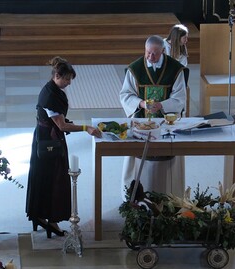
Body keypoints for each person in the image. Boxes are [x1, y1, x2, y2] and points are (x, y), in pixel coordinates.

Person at [26, 56, 101, 239]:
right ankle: (51, 220)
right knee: (55, 180)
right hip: (49, 143)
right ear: (57, 75)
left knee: (43, 177)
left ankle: (39, 215)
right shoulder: (51, 95)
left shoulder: (52, 88)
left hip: (45, 138)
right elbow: (61, 126)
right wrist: (86, 128)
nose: (68, 83)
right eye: (66, 79)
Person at [119, 35, 187, 199]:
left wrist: (161, 105)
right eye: (148, 53)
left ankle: (170, 195)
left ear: (163, 51)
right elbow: (125, 95)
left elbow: (180, 98)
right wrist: (141, 103)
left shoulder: (175, 69)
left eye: (155, 54)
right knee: (139, 155)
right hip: (141, 121)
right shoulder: (135, 69)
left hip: (167, 120)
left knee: (167, 153)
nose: (150, 57)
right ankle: (134, 195)